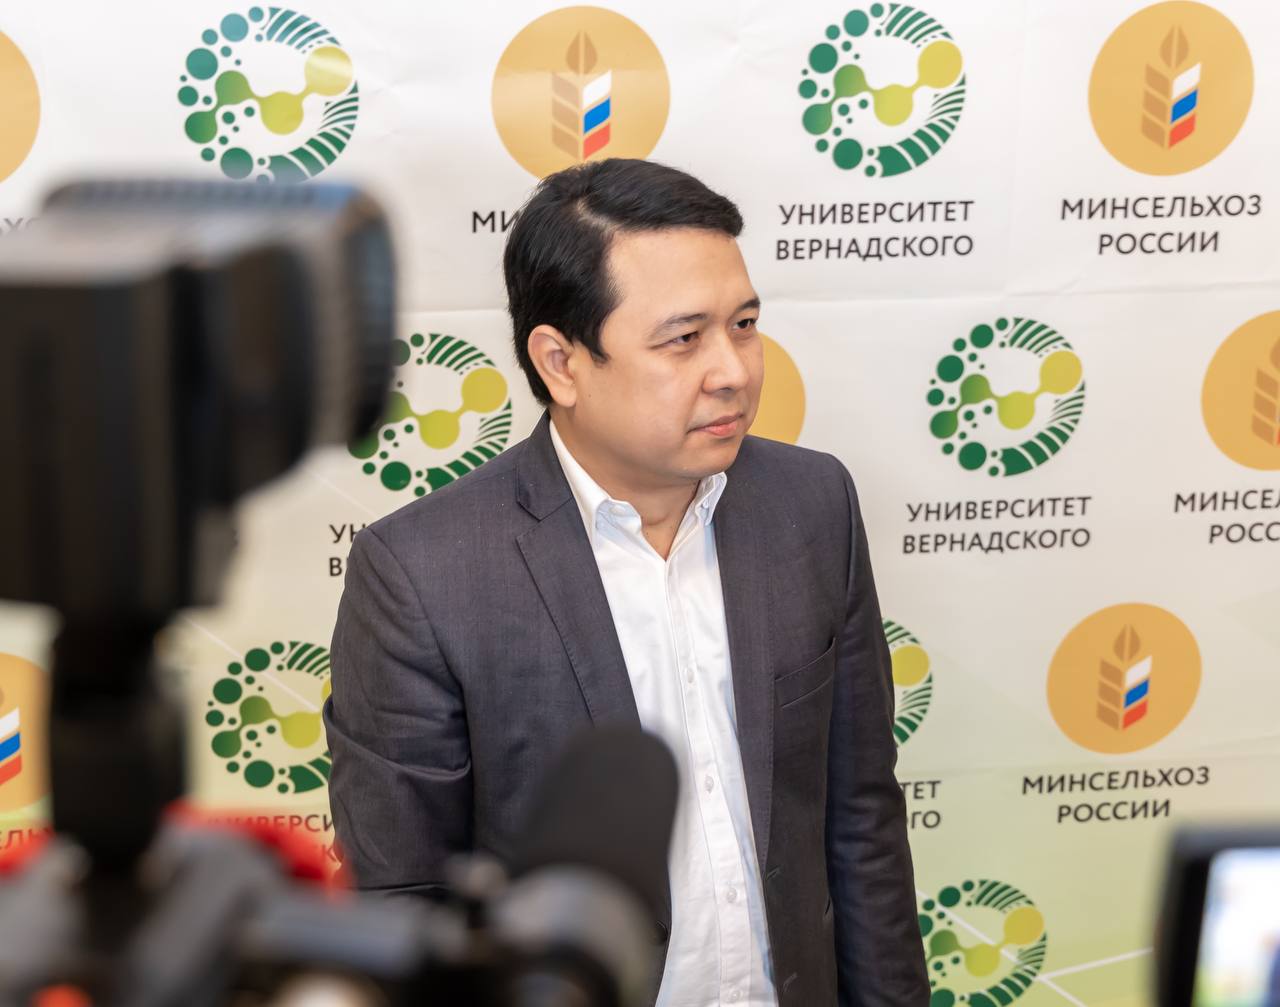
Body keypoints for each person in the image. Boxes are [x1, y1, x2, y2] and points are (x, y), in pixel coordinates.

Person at [324, 157, 929, 1006]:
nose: (733, 370)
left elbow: (860, 818)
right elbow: (404, 900)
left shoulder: (813, 504)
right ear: (561, 363)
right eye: (684, 338)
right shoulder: (423, 576)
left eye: (744, 324)